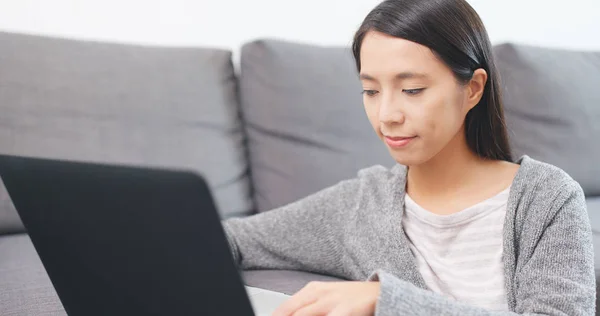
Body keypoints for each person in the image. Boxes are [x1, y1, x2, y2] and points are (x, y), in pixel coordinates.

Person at [223, 0, 596, 315]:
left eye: (412, 89)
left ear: (473, 89)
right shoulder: (360, 206)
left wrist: (388, 301)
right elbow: (230, 237)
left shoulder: (547, 198)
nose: (387, 114)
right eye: (370, 91)